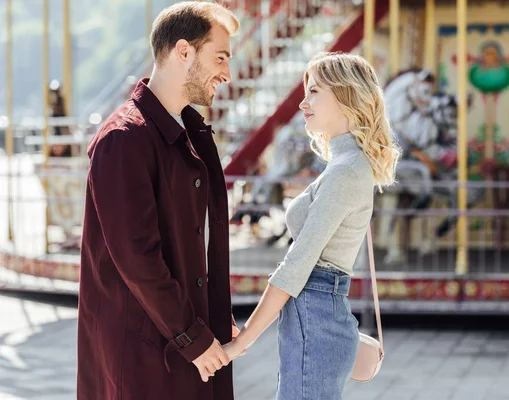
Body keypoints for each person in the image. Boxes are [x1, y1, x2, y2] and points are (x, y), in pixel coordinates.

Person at [77, 2, 241, 399]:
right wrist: (192, 335)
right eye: (220, 57)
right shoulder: (124, 138)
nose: (227, 73)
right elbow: (138, 258)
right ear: (184, 52)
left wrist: (213, 313)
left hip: (182, 344)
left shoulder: (190, 133)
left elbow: (190, 245)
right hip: (143, 358)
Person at [223, 52, 401, 399]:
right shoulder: (346, 165)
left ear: (347, 95)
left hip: (316, 317)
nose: (303, 102)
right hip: (317, 317)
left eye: (315, 91)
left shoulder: (347, 170)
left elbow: (297, 266)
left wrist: (242, 341)